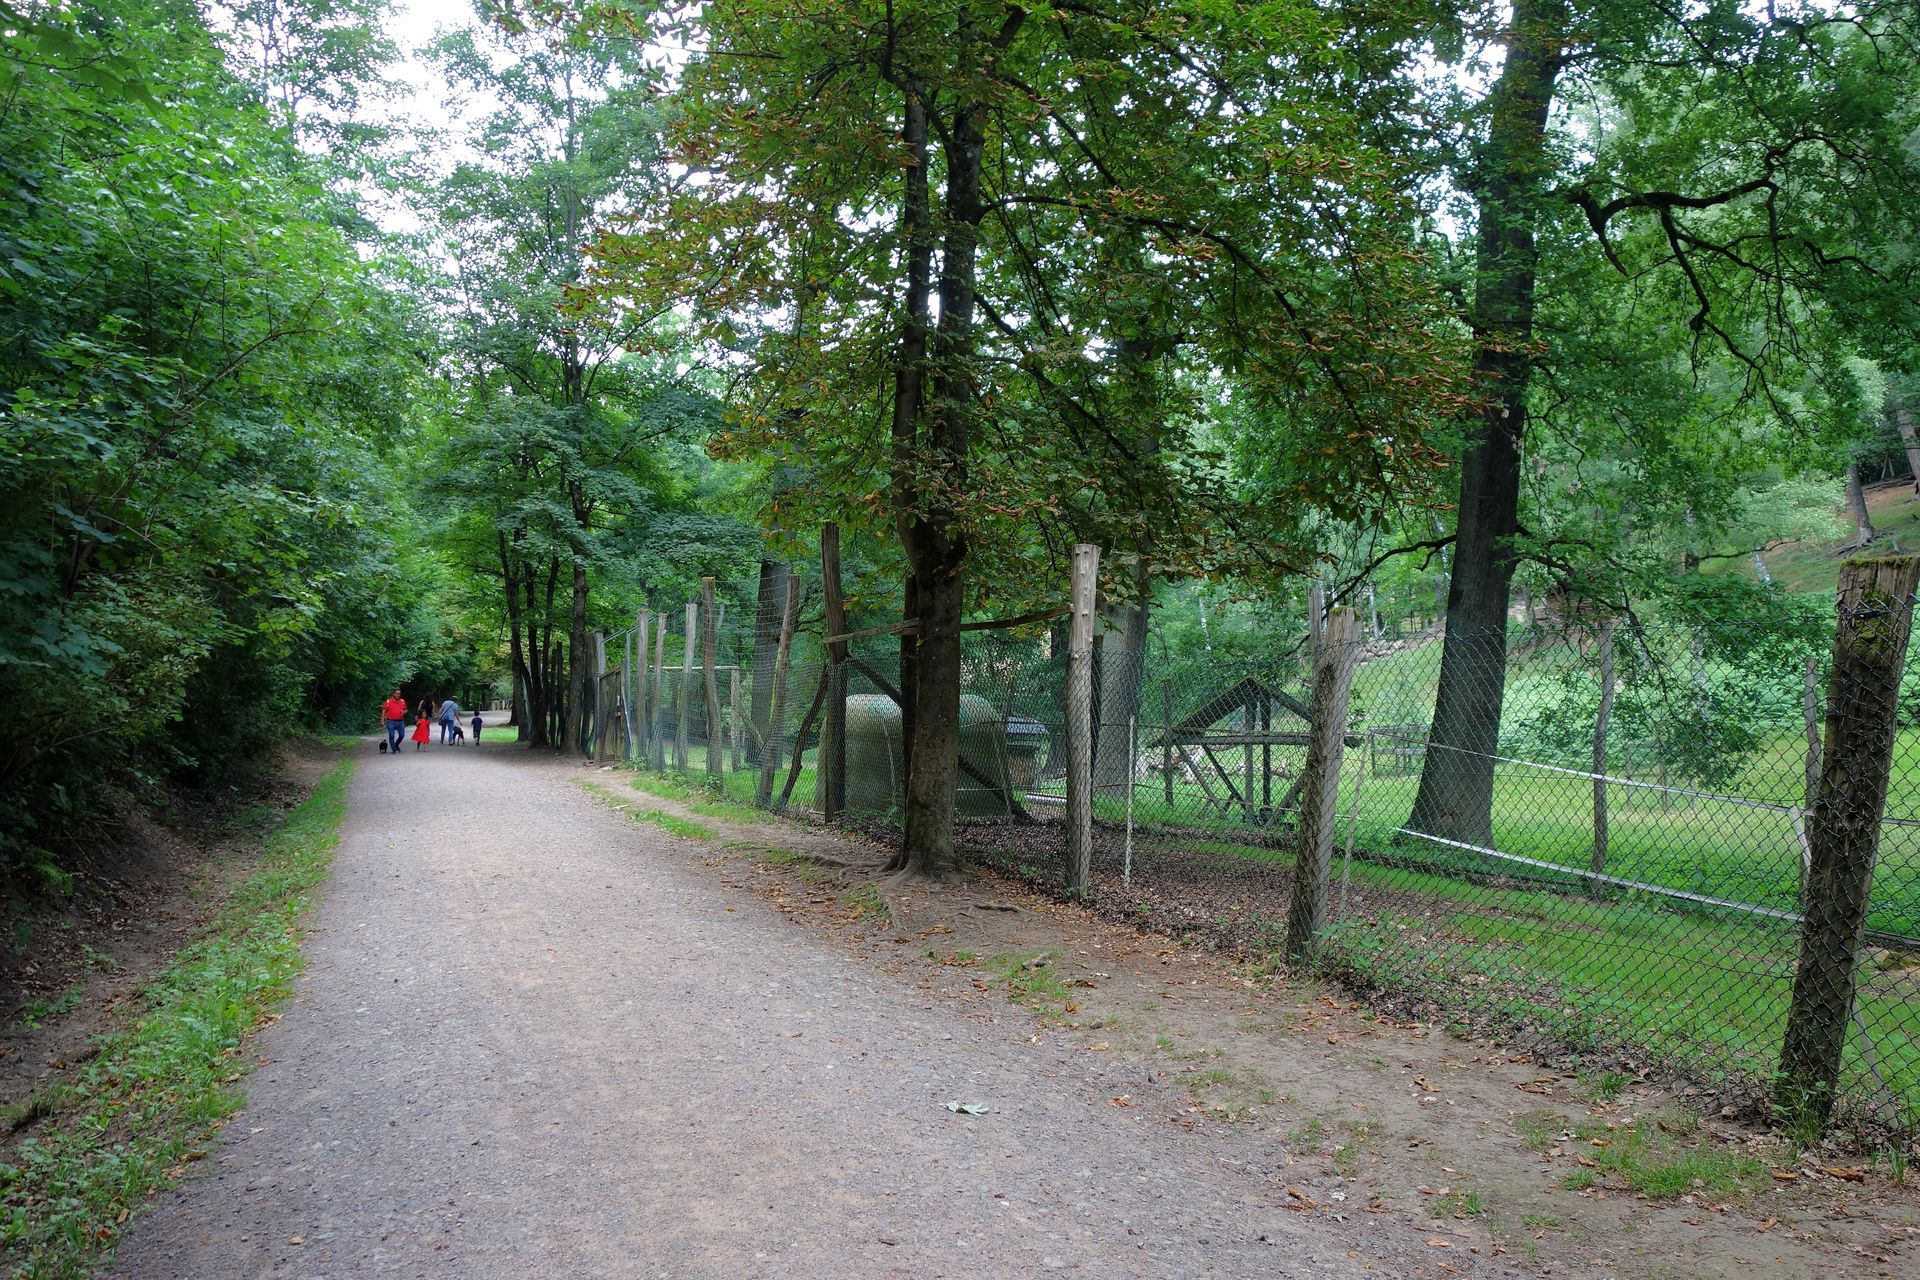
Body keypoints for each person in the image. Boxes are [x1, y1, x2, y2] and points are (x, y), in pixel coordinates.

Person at [382, 690, 407, 756]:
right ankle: (394, 749)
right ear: (393, 694)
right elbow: (384, 711)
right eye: (396, 693)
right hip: (391, 721)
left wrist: (404, 712)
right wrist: (382, 721)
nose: (398, 695)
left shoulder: (402, 701)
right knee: (391, 735)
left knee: (402, 735)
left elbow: (406, 710)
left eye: (399, 694)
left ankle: (396, 745)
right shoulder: (388, 701)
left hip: (400, 721)